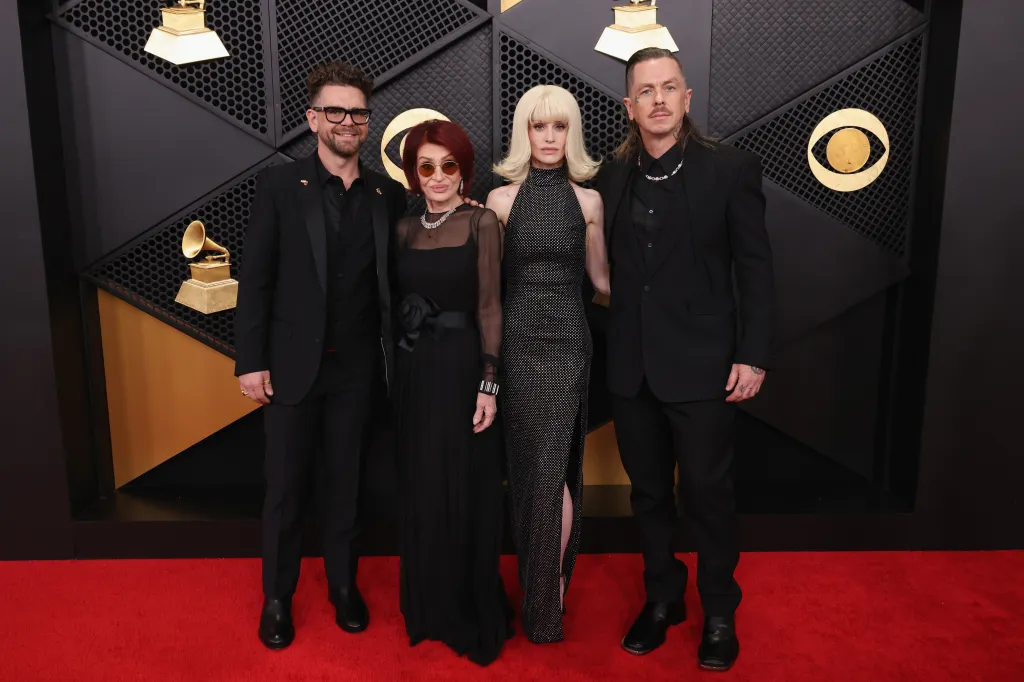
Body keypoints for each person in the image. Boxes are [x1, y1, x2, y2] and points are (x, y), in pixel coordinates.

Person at [595, 47, 775, 670]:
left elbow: (755, 269)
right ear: (629, 106)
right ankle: (662, 599)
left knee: (707, 494)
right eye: (645, 91)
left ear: (687, 98)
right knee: (647, 495)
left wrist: (753, 354)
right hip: (630, 366)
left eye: (669, 87)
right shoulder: (611, 176)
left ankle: (719, 611)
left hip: (703, 364)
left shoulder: (730, 169)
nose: (659, 100)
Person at [233, 61, 407, 650]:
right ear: (313, 120)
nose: (347, 121)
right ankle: (277, 600)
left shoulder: (389, 195)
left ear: (367, 120)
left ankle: (342, 588)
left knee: (346, 486)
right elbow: (255, 279)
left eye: (357, 111)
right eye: (335, 111)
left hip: (358, 371)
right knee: (284, 490)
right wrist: (250, 361)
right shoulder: (281, 187)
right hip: (288, 369)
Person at [487, 84, 610, 644]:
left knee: (554, 467)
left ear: (571, 133)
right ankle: (545, 588)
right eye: (540, 127)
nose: (550, 137)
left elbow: (603, 282)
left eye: (560, 126)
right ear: (525, 133)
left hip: (567, 345)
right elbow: (487, 287)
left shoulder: (589, 203)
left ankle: (548, 590)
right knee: (532, 468)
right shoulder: (500, 201)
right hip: (517, 342)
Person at [392, 119, 512, 666]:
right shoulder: (403, 228)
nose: (437, 176)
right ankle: (429, 607)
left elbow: (491, 305)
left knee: (466, 484)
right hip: (416, 369)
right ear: (413, 173)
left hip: (465, 368)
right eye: (426, 166)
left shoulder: (483, 222)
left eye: (447, 166)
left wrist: (489, 382)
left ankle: (467, 608)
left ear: (462, 169)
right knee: (422, 484)